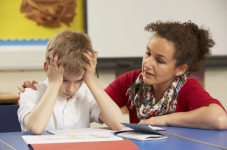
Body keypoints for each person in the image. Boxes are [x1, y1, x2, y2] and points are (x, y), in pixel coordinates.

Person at [18, 21, 227, 130]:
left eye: (159, 60)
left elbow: (219, 118)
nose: (147, 64)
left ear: (180, 69)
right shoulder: (131, 81)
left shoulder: (187, 87)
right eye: (147, 53)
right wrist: (52, 85)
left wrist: (162, 120)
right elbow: (100, 104)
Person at [17, 30, 124, 135]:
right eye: (64, 80)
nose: (71, 89)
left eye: (79, 80)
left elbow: (119, 124)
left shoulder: (86, 94)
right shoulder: (30, 92)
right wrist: (55, 84)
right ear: (47, 68)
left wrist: (91, 80)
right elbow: (36, 128)